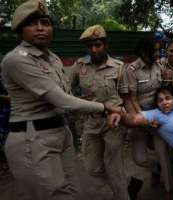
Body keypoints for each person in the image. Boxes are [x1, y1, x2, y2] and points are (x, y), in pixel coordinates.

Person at [1, 1, 122, 200]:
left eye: (45, 22)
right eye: (32, 23)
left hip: (62, 131)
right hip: (34, 137)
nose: (40, 28)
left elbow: (68, 95)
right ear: (20, 30)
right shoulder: (17, 59)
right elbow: (61, 99)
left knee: (74, 192)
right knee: (55, 194)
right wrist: (104, 107)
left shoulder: (53, 59)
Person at [70, 24, 130, 199]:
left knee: (114, 168)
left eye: (98, 45)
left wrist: (122, 113)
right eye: (90, 46)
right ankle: (125, 185)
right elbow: (67, 91)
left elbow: (126, 97)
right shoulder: (79, 66)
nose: (94, 49)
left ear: (106, 45)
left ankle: (122, 195)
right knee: (92, 168)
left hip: (113, 123)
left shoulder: (119, 67)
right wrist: (79, 101)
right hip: (90, 122)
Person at [123, 38, 173, 200]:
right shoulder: (131, 70)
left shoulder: (159, 66)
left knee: (162, 154)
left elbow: (164, 91)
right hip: (140, 117)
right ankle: (154, 169)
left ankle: (168, 188)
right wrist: (143, 118)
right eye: (154, 51)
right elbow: (132, 99)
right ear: (143, 52)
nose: (158, 54)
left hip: (159, 118)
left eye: (159, 50)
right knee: (139, 158)